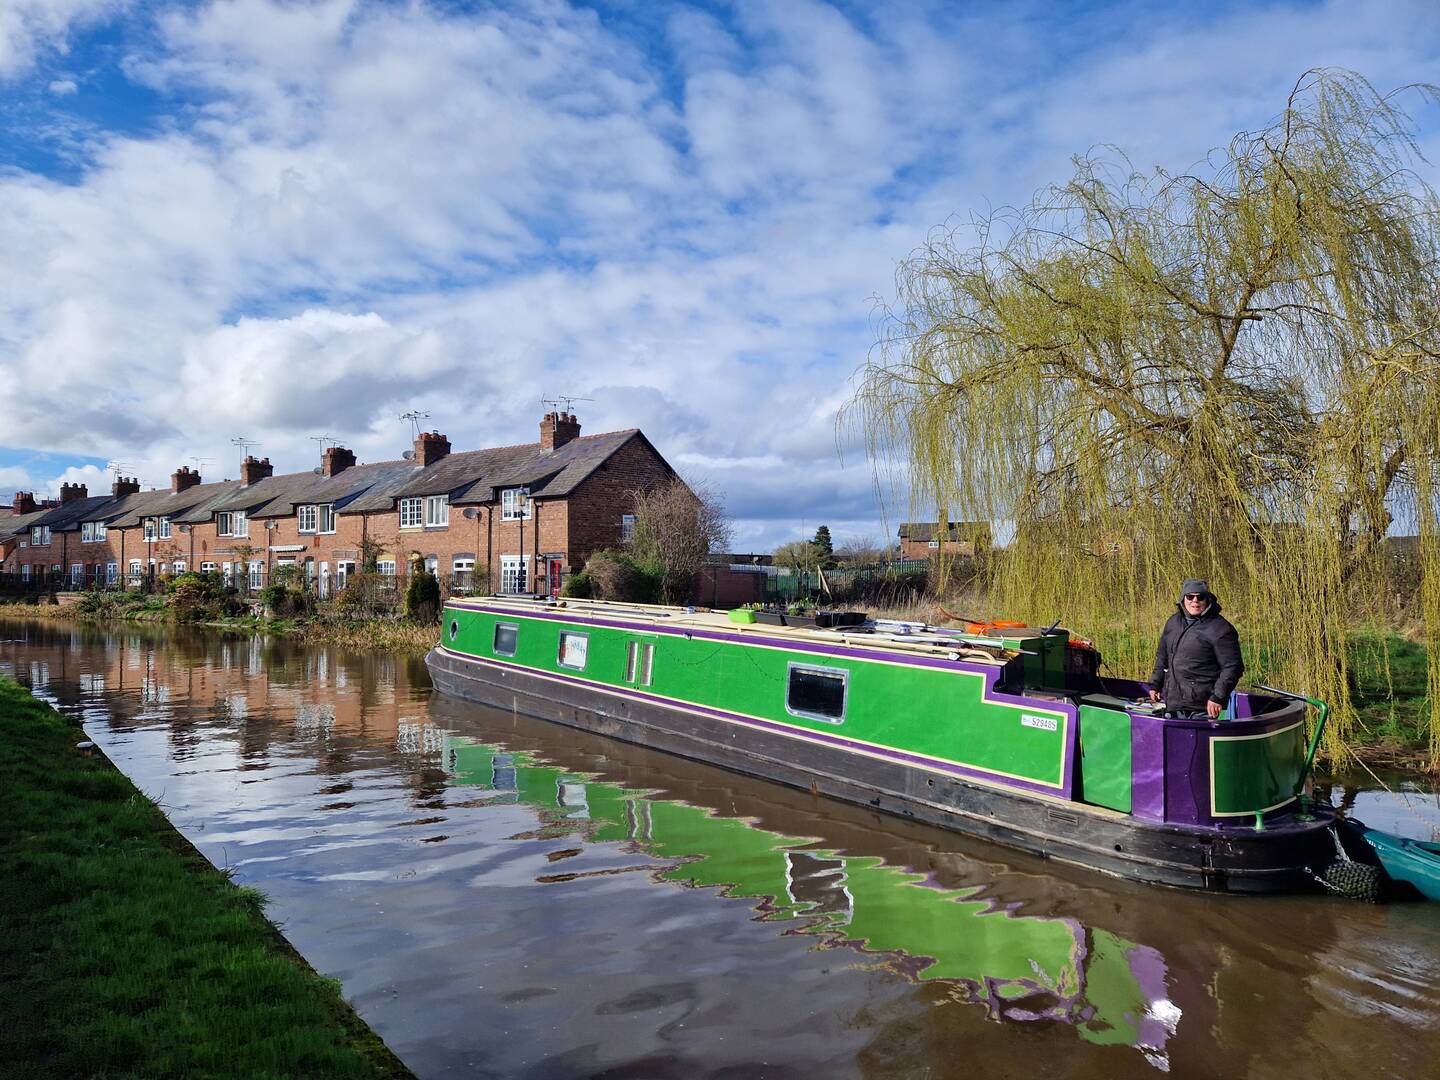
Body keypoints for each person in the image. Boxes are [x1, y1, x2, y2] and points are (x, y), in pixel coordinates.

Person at [1147, 578, 1244, 720]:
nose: (1195, 601)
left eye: (1200, 597)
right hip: (1173, 703)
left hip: (1202, 707)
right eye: (1190, 596)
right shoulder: (1173, 622)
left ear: (1207, 599)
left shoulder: (1221, 629)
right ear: (1183, 598)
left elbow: (1233, 667)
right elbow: (1162, 657)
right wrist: (1155, 684)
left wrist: (1218, 697)